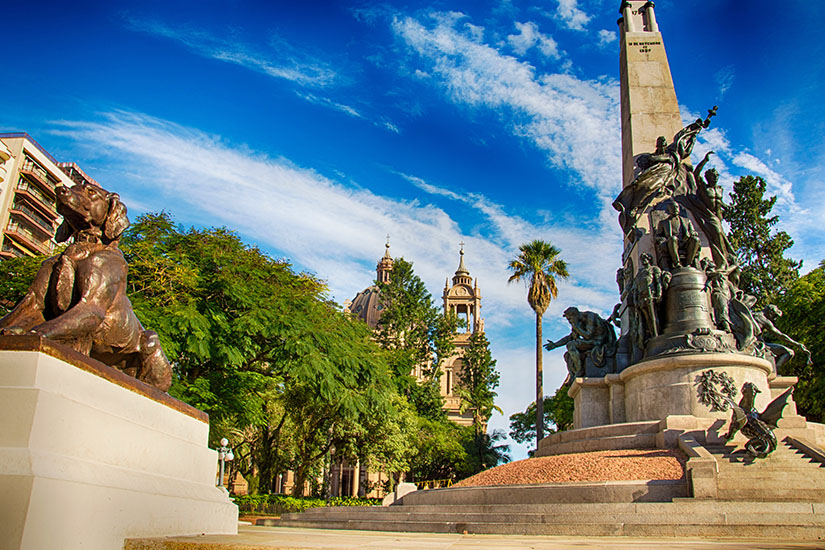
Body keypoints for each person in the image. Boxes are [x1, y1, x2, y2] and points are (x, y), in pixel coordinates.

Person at [546, 307, 617, 386]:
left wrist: (577, 328)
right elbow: (570, 337)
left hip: (598, 341)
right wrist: (555, 344)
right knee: (567, 355)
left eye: (570, 319)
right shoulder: (578, 323)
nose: (570, 322)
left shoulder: (590, 317)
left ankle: (580, 371)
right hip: (590, 342)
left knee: (571, 345)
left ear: (575, 315)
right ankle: (572, 375)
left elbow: (588, 336)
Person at [752, 305, 812, 371]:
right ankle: (773, 373)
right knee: (789, 352)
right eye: (775, 316)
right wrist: (797, 344)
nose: (775, 319)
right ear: (770, 312)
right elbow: (780, 335)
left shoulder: (751, 314)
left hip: (752, 342)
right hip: (756, 344)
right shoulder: (763, 319)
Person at [657, 200, 700, 269]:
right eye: (672, 207)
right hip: (672, 242)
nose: (675, 209)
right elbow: (658, 236)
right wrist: (662, 239)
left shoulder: (687, 221)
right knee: (673, 238)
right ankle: (676, 263)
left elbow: (693, 231)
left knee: (695, 239)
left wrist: (692, 233)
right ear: (668, 210)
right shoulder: (663, 223)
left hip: (685, 242)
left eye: (677, 207)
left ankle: (688, 263)